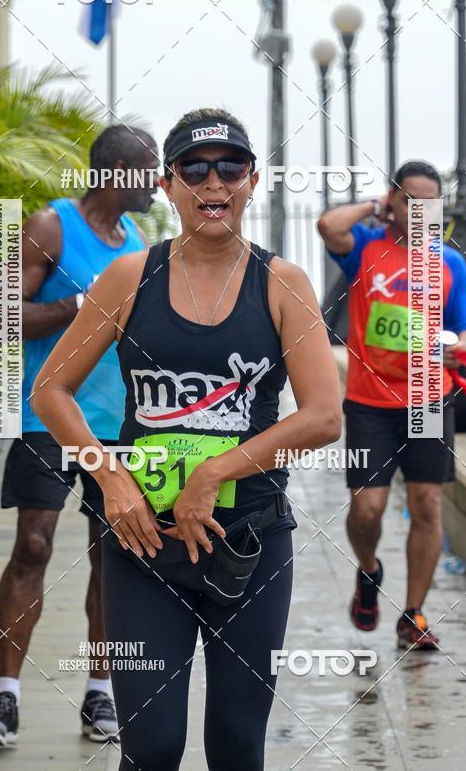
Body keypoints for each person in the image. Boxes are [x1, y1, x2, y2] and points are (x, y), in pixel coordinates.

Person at [31, 107, 342, 771]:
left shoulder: (282, 284)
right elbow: (50, 392)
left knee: (236, 745)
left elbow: (323, 416)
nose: (214, 184)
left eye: (231, 168)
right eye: (194, 170)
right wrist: (110, 477)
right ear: (168, 185)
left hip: (248, 541)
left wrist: (212, 473)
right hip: (144, 542)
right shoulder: (129, 278)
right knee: (152, 746)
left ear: (252, 182)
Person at [0, 124, 159, 747]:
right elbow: (3, 314)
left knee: (115, 556)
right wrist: (80, 309)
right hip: (47, 416)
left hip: (117, 425)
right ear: (116, 172)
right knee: (34, 546)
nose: (159, 182)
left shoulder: (136, 240)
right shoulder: (51, 227)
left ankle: (101, 693)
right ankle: (4, 699)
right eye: (149, 170)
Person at [317, 160, 466, 650]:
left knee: (426, 504)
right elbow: (328, 225)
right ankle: (369, 573)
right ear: (392, 199)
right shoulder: (366, 246)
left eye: (430, 202)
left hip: (429, 398)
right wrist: (373, 207)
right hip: (369, 402)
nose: (420, 211)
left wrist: (462, 348)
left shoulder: (449, 263)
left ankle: (414, 615)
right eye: (410, 199)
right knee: (368, 509)